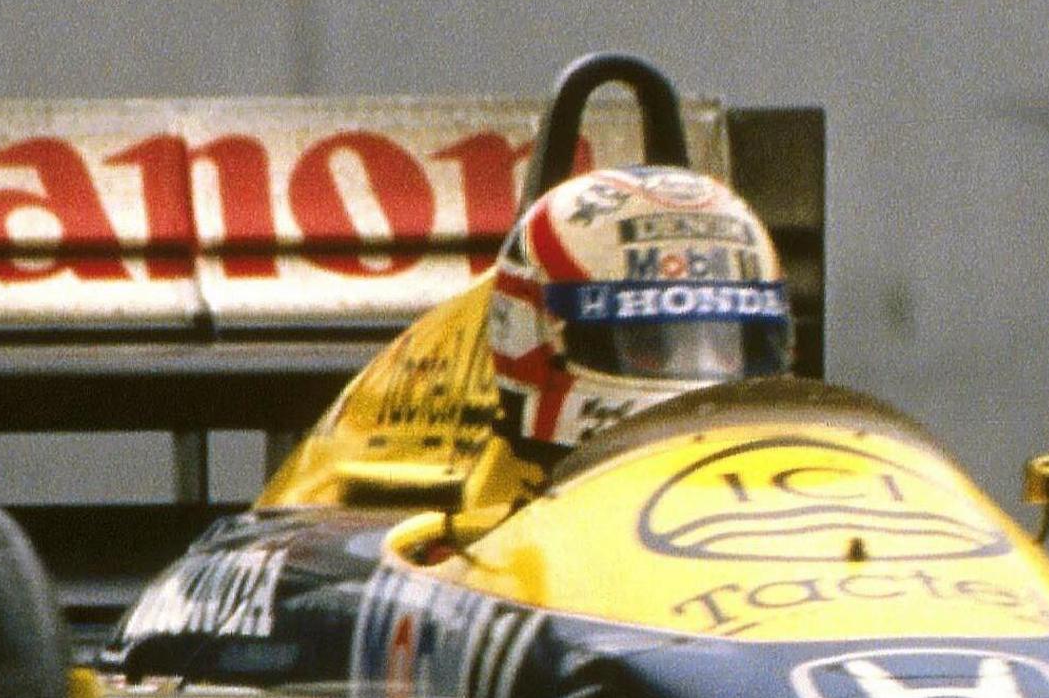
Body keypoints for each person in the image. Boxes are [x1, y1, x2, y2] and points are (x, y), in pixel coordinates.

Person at [255, 160, 797, 515]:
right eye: (651, 345)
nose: (701, 368)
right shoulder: (492, 490)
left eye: (728, 345)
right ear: (541, 339)